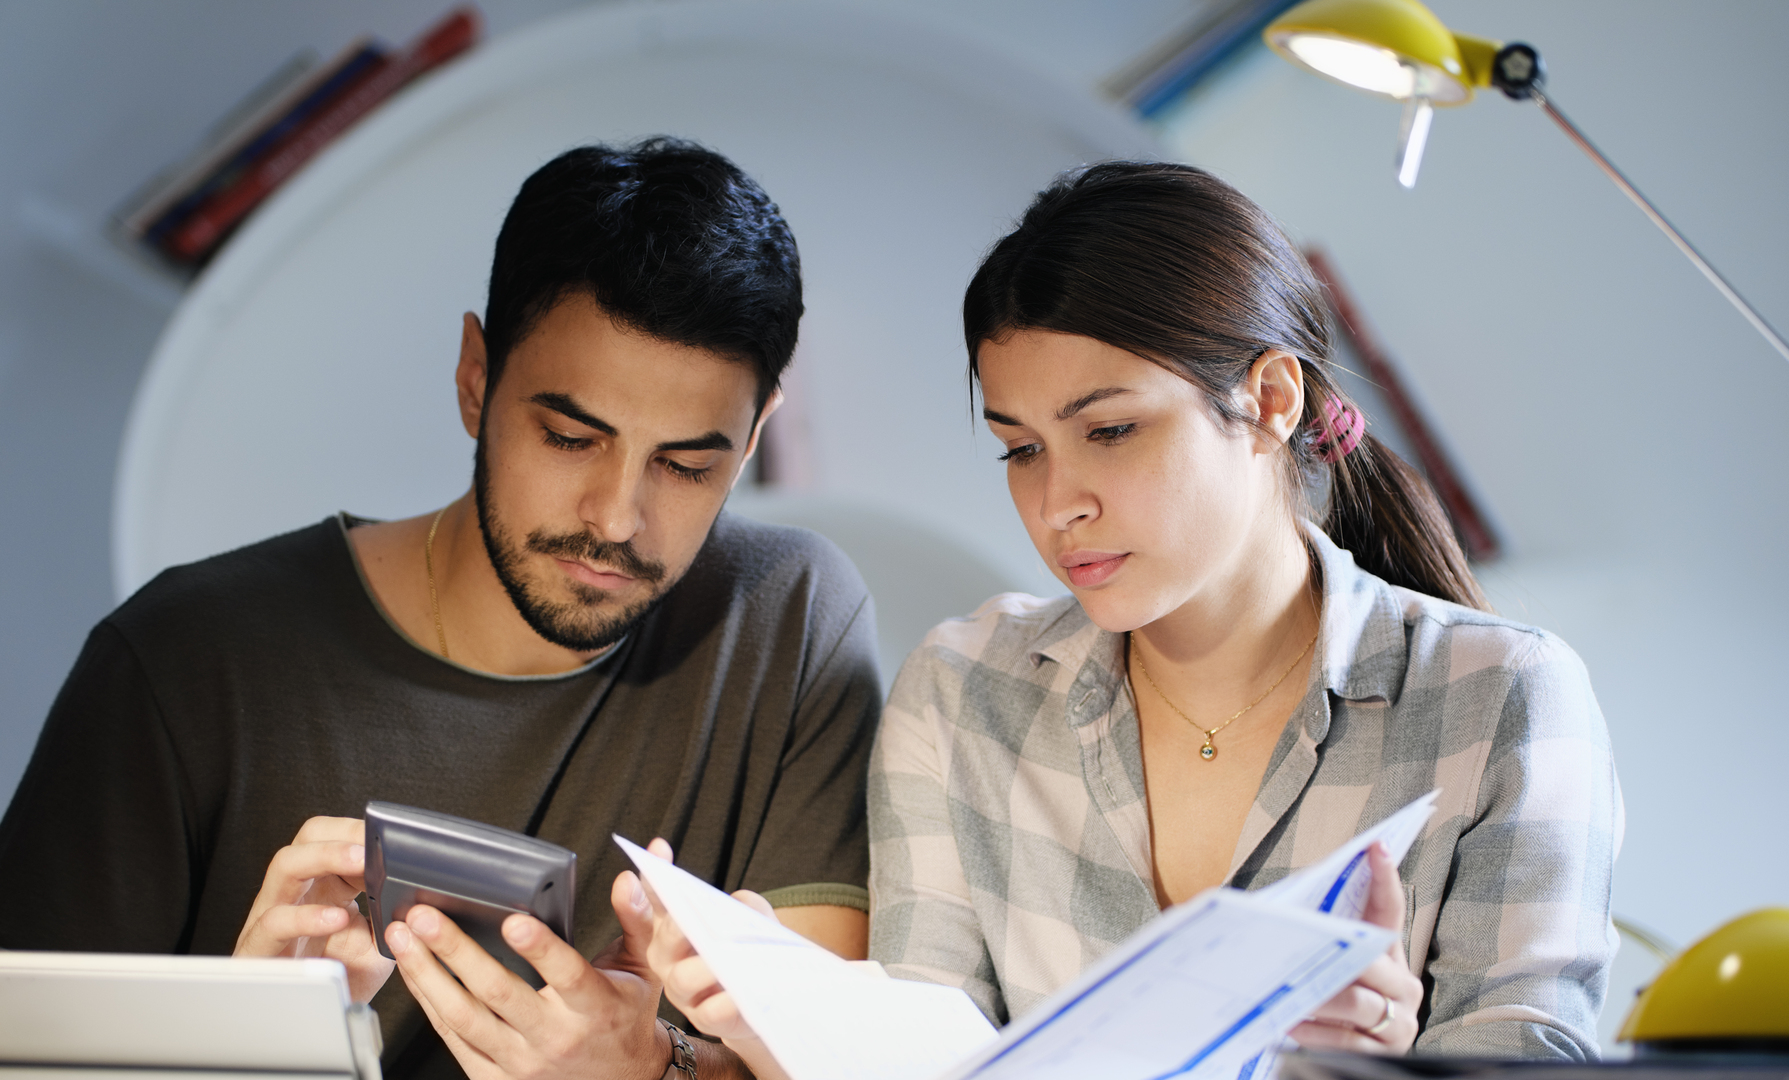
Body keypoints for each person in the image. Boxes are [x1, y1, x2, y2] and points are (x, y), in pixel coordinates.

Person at [650, 161, 1622, 1072]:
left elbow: (1531, 1046)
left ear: (1271, 399)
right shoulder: (964, 690)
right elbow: (933, 1050)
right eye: (1020, 449)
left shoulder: (1500, 698)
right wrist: (784, 1018)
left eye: (1110, 430)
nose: (1057, 502)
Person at [0, 139, 879, 1080]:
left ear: (753, 440)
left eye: (688, 465)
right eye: (571, 437)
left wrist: (653, 1068)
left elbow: (820, 1062)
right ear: (475, 377)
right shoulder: (182, 661)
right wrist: (241, 1051)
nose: (618, 519)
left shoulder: (791, 621)